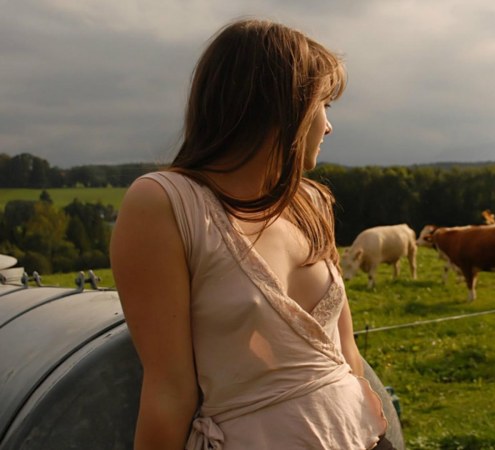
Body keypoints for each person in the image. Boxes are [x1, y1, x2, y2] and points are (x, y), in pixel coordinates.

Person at [110, 19, 391, 450]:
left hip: (357, 436)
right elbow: (169, 391)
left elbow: (346, 353)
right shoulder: (164, 204)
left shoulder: (311, 203)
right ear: (283, 106)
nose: (329, 126)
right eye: (324, 106)